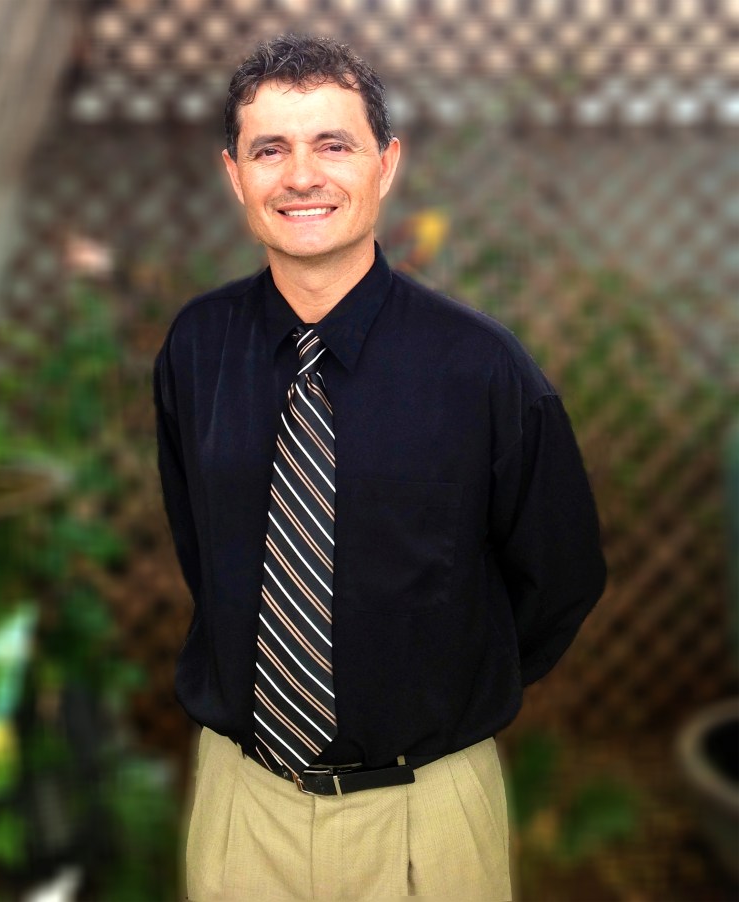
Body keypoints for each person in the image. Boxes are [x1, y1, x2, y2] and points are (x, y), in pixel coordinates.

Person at [154, 33, 606, 901]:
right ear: (234, 174)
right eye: (270, 150)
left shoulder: (481, 369)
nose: (301, 176)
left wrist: (442, 685)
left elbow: (561, 577)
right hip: (244, 810)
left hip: (425, 814)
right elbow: (202, 544)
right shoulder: (197, 348)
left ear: (386, 164)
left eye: (333, 144)